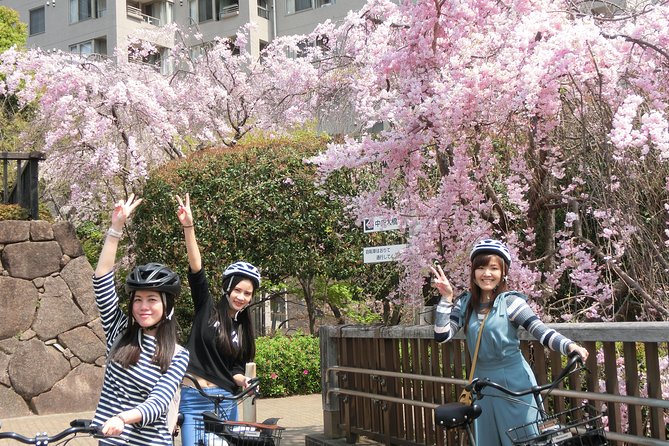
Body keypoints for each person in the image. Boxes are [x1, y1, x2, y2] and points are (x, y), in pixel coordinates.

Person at [431, 238, 589, 446]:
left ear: (503, 272)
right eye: (481, 267)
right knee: (488, 440)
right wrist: (446, 298)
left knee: (524, 439)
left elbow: (539, 330)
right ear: (473, 272)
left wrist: (569, 346)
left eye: (493, 268)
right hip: (482, 386)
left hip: (515, 383)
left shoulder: (512, 302)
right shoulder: (465, 303)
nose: (487, 273)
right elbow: (442, 335)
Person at [92, 194, 189, 446]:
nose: (143, 307)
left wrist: (122, 419)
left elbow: (157, 403)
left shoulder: (177, 354)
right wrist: (116, 228)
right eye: (138, 299)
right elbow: (101, 281)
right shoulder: (119, 332)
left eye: (152, 300)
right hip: (110, 441)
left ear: (167, 306)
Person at [175, 193, 261, 446]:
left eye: (247, 293)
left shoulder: (243, 329)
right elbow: (196, 269)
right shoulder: (207, 309)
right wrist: (188, 227)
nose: (242, 297)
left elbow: (234, 368)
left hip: (225, 399)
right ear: (227, 289)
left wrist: (242, 379)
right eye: (238, 290)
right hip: (193, 396)